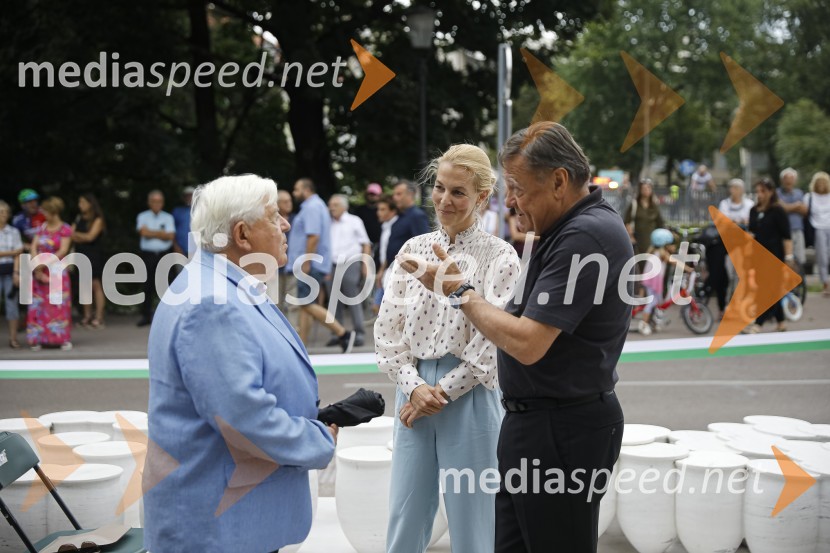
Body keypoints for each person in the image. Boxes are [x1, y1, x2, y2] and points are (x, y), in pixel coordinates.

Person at [398, 122, 630, 552]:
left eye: (518, 188)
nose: (511, 202)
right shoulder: (568, 230)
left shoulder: (585, 235)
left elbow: (526, 341)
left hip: (560, 428)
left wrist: (457, 291)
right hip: (541, 423)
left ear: (559, 181)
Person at [144, 174, 337, 552]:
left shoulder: (221, 284)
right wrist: (317, 438)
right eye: (275, 216)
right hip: (218, 528)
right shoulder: (213, 304)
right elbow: (243, 419)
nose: (286, 225)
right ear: (242, 235)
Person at [376, 144, 521, 553]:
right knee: (405, 514)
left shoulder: (500, 257)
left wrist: (439, 393)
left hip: (471, 395)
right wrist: (415, 386)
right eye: (439, 188)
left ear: (481, 198)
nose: (444, 200)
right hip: (413, 386)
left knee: (475, 521)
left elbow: (493, 340)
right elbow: (387, 331)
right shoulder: (412, 250)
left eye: (458, 192)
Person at [287, 178, 355, 351]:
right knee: (306, 305)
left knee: (305, 303)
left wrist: (306, 261)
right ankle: (301, 345)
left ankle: (342, 333)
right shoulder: (316, 206)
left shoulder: (311, 207)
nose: (294, 193)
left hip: (309, 264)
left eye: (296, 189)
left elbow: (313, 236)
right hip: (312, 263)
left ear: (306, 190)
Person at [745, 178, 794, 333]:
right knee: (767, 288)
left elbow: (787, 236)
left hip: (775, 254)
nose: (759, 195)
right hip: (757, 255)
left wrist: (789, 257)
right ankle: (781, 321)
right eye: (757, 191)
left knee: (766, 290)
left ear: (771, 192)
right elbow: (751, 230)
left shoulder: (778, 210)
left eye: (763, 191)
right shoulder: (754, 210)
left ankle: (758, 323)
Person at [27, 197, 73, 351]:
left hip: (56, 270)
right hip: (39, 270)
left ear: (54, 212)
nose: (43, 214)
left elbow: (63, 251)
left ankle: (61, 338)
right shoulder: (42, 227)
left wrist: (44, 263)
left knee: (58, 305)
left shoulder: (65, 229)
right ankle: (38, 338)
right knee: (39, 304)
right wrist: (36, 263)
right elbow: (34, 246)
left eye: (46, 212)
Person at [327, 194, 371, 347]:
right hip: (332, 263)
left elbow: (365, 243)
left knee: (353, 298)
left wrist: (365, 264)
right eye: (330, 204)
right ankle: (338, 333)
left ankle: (359, 333)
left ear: (344, 206)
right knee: (334, 301)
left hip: (350, 262)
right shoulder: (328, 223)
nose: (331, 207)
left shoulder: (354, 221)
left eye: (335, 204)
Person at [136, 190, 175, 327]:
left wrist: (151, 232)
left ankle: (168, 317)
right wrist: (161, 233)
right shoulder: (142, 216)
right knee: (147, 285)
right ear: (149, 202)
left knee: (167, 285)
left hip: (164, 254)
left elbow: (170, 236)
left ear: (162, 203)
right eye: (154, 201)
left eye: (159, 201)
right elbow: (143, 233)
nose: (156, 204)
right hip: (148, 255)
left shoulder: (168, 217)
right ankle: (146, 315)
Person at [71, 194, 106, 328]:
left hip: (93, 255)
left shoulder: (98, 219)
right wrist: (79, 237)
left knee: (95, 285)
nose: (80, 205)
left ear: (90, 204)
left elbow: (90, 237)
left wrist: (76, 235)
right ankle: (87, 316)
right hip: (81, 254)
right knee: (84, 285)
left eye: (83, 202)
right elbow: (72, 235)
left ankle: (99, 316)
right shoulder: (78, 218)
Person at [384, 180, 430, 275]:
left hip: (406, 274)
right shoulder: (400, 216)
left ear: (410, 194)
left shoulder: (417, 216)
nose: (394, 198)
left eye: (399, 194)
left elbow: (424, 246)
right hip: (393, 270)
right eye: (394, 194)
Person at [638, 228, 674, 336]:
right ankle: (643, 324)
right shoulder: (661, 253)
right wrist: (687, 268)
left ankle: (652, 321)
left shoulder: (654, 251)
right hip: (653, 281)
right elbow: (674, 261)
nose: (671, 246)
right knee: (652, 302)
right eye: (669, 243)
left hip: (652, 280)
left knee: (657, 301)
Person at [0, 201, 23, 348]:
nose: (2, 215)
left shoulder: (13, 232)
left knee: (12, 305)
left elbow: (19, 254)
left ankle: (13, 338)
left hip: (9, 271)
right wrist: (13, 252)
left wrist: (16, 272)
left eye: (4, 212)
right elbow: (16, 251)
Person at [372, 195, 398, 318]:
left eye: (383, 209)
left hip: (392, 271)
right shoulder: (386, 226)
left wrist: (383, 270)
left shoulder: (395, 227)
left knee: (381, 309)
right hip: (385, 269)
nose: (379, 213)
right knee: (378, 308)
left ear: (392, 211)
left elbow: (392, 252)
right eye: (378, 209)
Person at [624, 178, 665, 255]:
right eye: (644, 188)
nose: (646, 190)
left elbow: (660, 223)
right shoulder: (634, 204)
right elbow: (627, 221)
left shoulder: (654, 205)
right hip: (637, 240)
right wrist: (631, 237)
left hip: (652, 241)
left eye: (648, 188)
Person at [805, 171, 830, 296]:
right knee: (822, 257)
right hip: (818, 227)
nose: (821, 184)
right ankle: (825, 283)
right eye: (819, 182)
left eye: (823, 182)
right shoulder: (809, 197)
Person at [777, 167, 807, 267]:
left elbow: (804, 211)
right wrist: (797, 205)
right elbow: (782, 209)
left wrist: (788, 207)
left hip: (797, 229)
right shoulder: (777, 193)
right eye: (787, 178)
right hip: (783, 231)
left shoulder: (799, 193)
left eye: (791, 178)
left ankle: (800, 280)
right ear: (782, 180)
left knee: (799, 257)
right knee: (785, 257)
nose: (789, 181)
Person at [12, 188, 46, 253]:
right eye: (30, 202)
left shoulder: (45, 213)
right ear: (22, 205)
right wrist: (24, 244)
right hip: (33, 251)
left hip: (51, 249)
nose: (34, 204)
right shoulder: (18, 219)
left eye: (35, 201)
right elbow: (13, 238)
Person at [171, 185, 195, 256]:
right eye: (187, 196)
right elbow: (171, 230)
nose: (189, 198)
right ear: (183, 198)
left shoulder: (202, 211)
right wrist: (175, 246)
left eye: (191, 195)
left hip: (197, 251)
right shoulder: (177, 211)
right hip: (179, 250)